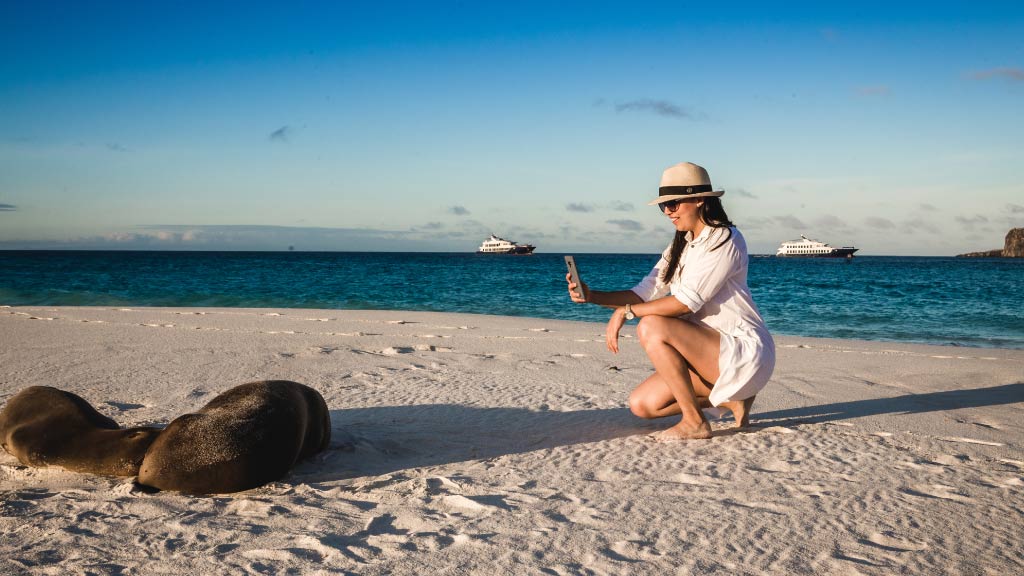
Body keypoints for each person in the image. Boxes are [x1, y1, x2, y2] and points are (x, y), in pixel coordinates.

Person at [566, 162, 774, 441]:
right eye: (663, 206)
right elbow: (643, 293)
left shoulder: (724, 239)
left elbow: (685, 304)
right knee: (642, 405)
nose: (667, 211)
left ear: (700, 200)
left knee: (651, 325)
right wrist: (592, 296)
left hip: (743, 350)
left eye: (674, 203)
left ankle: (695, 421)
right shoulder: (682, 243)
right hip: (707, 352)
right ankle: (730, 401)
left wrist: (626, 313)